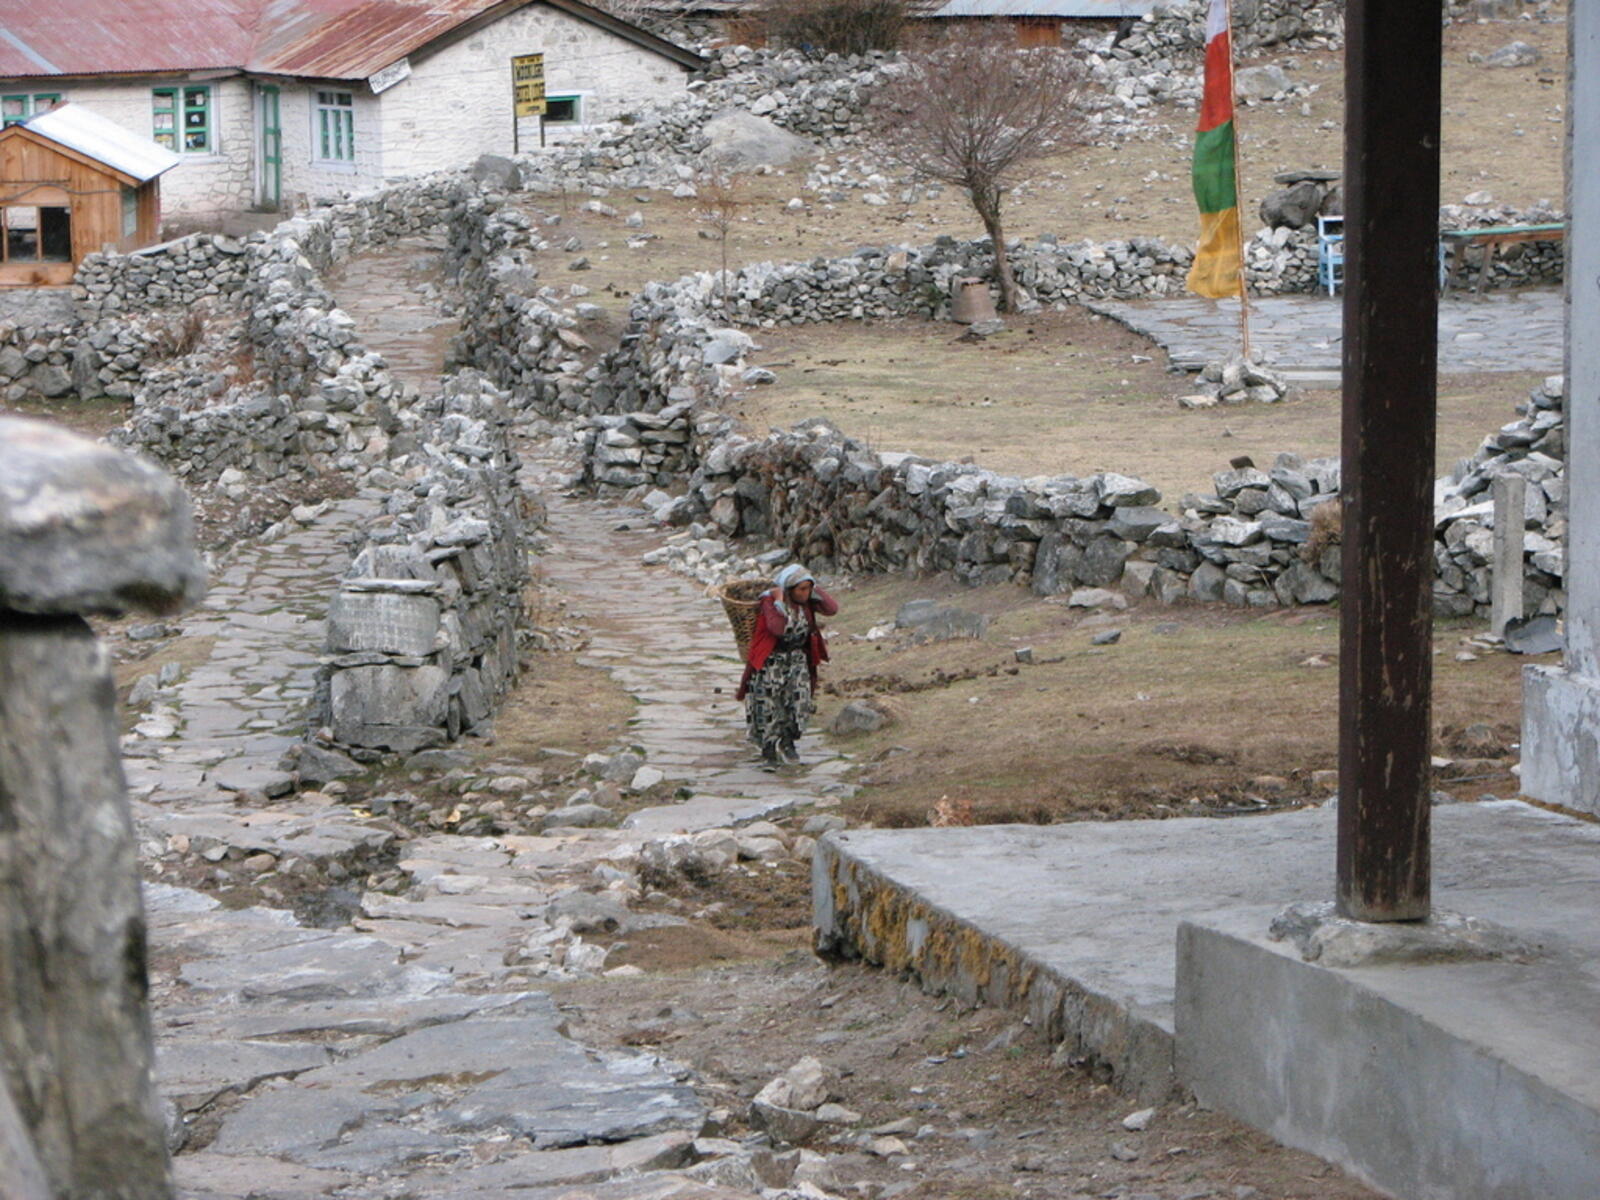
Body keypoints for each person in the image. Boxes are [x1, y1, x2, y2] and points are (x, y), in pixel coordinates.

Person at [736, 564, 839, 766]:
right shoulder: (769, 601)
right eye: (801, 589)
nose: (805, 593)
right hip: (771, 662)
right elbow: (777, 628)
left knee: (799, 702)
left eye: (808, 589)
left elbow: (832, 608)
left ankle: (788, 742)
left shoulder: (807, 602)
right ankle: (768, 747)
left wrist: (814, 587)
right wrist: (778, 600)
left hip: (797, 660)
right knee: (769, 705)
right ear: (789, 589)